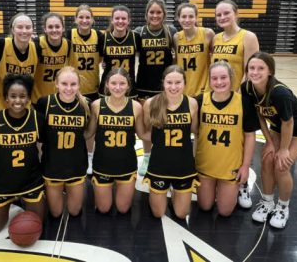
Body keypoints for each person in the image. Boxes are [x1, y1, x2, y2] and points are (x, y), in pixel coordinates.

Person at [242, 52, 297, 229]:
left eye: (260, 68)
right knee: (267, 158)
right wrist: (269, 141)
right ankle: (267, 202)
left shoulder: (279, 92)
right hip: (278, 125)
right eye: (251, 68)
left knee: (281, 164)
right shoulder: (247, 88)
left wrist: (283, 149)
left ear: (270, 71)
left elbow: (288, 122)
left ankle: (283, 207)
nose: (255, 72)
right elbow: (259, 116)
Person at [212, 0, 259, 208]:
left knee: (241, 139)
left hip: (241, 96)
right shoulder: (216, 38)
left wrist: (236, 94)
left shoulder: (247, 37)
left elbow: (252, 70)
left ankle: (243, 185)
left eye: (226, 13)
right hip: (218, 95)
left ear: (236, 14)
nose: (222, 17)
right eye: (218, 15)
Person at [195, 61, 258, 216]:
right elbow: (195, 134)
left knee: (225, 212)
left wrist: (245, 166)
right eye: (214, 78)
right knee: (205, 207)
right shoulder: (200, 101)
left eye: (223, 77)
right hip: (205, 165)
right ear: (209, 80)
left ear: (231, 78)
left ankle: (238, 188)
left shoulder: (243, 102)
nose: (219, 82)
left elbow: (250, 136)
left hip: (231, 166)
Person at [0, 74, 45, 233]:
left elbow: (47, 146)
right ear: (6, 98)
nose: (18, 101)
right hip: (4, 183)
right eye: (13, 96)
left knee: (37, 226)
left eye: (22, 96)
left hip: (31, 181)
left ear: (28, 99)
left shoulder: (37, 119)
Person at [86, 68, 149, 214]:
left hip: (126, 165)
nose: (118, 87)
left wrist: (162, 130)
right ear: (107, 84)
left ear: (128, 86)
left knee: (123, 209)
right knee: (103, 209)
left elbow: (143, 134)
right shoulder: (96, 105)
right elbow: (88, 133)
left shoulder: (136, 107)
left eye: (122, 83)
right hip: (102, 165)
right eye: (113, 83)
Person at [143, 65, 199, 219]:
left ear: (184, 83)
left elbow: (195, 132)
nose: (173, 87)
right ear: (163, 83)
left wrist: (194, 158)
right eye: (169, 82)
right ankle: (163, 193)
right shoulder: (151, 103)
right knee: (158, 213)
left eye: (178, 82)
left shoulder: (192, 103)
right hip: (159, 163)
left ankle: (176, 192)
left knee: (181, 214)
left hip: (183, 164)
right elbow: (146, 132)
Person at [34, 66, 89, 218]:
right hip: (52, 166)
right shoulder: (45, 103)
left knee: (74, 211)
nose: (69, 88)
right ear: (56, 84)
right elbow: (38, 137)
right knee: (56, 213)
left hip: (76, 166)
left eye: (73, 84)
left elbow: (88, 133)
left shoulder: (86, 105)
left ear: (79, 85)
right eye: (64, 84)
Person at [134, 0, 176, 177]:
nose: (155, 15)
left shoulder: (171, 31)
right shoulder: (139, 32)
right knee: (147, 122)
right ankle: (148, 156)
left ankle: (164, 154)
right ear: (146, 14)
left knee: (165, 122)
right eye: (152, 12)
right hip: (144, 84)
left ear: (164, 14)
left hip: (165, 86)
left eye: (159, 12)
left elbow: (178, 56)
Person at [67, 4, 104, 175]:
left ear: (92, 19)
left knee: (90, 126)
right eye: (80, 17)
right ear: (75, 19)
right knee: (72, 125)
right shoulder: (69, 35)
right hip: (72, 89)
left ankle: (89, 155)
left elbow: (102, 59)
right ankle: (72, 154)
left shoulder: (99, 36)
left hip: (92, 88)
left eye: (87, 17)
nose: (84, 20)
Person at [0, 13, 38, 110]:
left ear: (33, 30)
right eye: (20, 27)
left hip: (24, 107)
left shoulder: (37, 47)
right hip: (0, 107)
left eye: (28, 27)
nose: (24, 31)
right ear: (12, 29)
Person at [174, 2, 214, 97]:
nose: (187, 20)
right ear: (178, 18)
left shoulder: (207, 33)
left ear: (196, 17)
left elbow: (215, 60)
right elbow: (176, 61)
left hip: (203, 91)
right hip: (182, 91)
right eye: (183, 17)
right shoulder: (176, 37)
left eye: (191, 16)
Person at [99, 5, 138, 98]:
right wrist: (103, 63)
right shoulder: (104, 38)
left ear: (129, 21)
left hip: (129, 86)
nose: (120, 21)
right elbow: (99, 60)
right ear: (112, 20)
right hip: (108, 86)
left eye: (124, 18)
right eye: (117, 18)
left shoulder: (135, 37)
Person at [34, 12, 71, 102]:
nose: (54, 30)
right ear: (45, 29)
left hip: (59, 97)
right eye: (50, 27)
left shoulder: (68, 44)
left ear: (63, 28)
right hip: (38, 98)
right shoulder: (36, 43)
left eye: (57, 27)